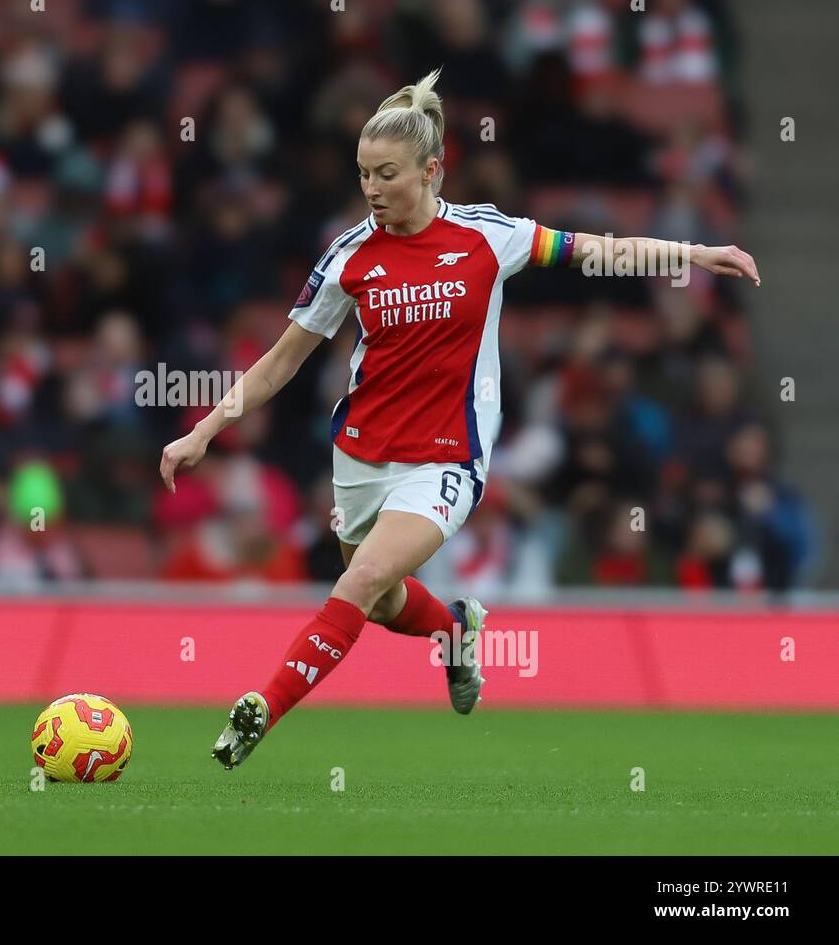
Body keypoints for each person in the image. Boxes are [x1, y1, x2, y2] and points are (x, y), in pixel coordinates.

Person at [159, 68, 759, 769]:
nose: (373, 190)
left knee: (355, 584)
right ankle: (456, 631)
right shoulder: (350, 255)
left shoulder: (487, 236)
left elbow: (593, 249)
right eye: (363, 175)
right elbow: (283, 360)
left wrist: (690, 254)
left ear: (432, 170)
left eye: (387, 174)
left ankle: (261, 709)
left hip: (445, 457)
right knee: (379, 602)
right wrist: (205, 428)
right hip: (359, 455)